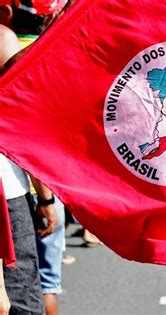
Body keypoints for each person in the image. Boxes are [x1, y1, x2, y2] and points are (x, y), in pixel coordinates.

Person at [0, 1, 65, 314]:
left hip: (11, 188)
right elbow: (26, 127)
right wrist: (47, 199)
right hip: (8, 190)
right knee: (24, 296)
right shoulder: (3, 39)